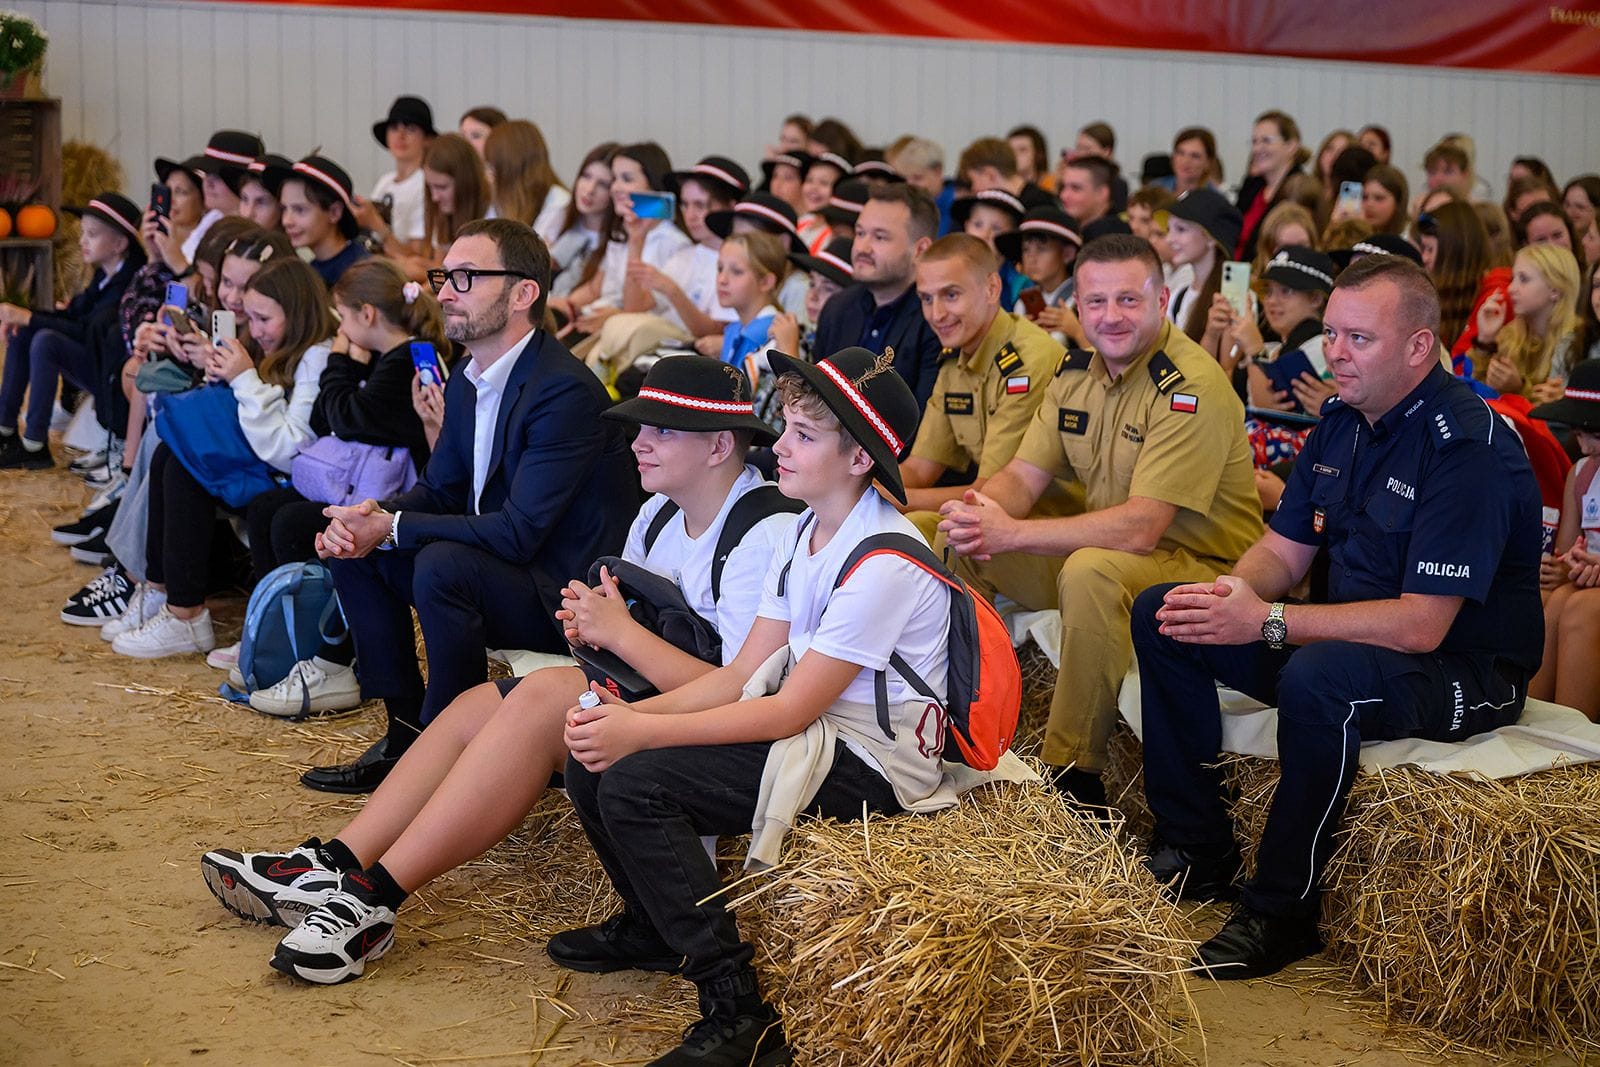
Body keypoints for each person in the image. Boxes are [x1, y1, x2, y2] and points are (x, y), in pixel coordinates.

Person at [199, 356, 794, 981]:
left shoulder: (761, 532)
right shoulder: (660, 514)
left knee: (541, 701)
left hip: (721, 734)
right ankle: (335, 862)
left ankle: (373, 901)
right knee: (478, 704)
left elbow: (738, 691)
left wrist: (617, 633)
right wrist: (594, 627)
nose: (638, 442)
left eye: (661, 430)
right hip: (655, 702)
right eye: (640, 427)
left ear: (721, 444)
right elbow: (640, 638)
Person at [548, 345, 976, 1067]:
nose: (778, 444)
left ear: (860, 460)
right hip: (817, 729)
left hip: (876, 759)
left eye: (804, 436)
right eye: (788, 427)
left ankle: (740, 1010)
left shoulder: (884, 560)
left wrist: (642, 733)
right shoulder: (804, 533)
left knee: (635, 781)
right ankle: (653, 926)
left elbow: (786, 712)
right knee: (596, 757)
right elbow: (744, 673)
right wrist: (628, 723)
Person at [1132, 254, 1543, 978]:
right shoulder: (1342, 424)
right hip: (1353, 638)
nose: (1336, 354)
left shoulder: (1466, 446)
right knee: (1167, 612)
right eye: (1332, 335)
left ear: (1418, 346)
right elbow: (1282, 552)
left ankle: (1282, 910)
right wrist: (1234, 596)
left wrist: (1271, 621)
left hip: (1465, 667)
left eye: (1360, 338)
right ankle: (1199, 846)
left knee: (1320, 680)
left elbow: (1422, 625)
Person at [305, 219, 635, 793]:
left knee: (441, 566)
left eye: (465, 276)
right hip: (507, 568)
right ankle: (406, 737)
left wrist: (397, 525)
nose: (444, 291)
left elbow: (520, 534)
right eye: (443, 276)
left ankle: (448, 749)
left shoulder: (563, 390)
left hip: (566, 597)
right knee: (358, 550)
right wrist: (372, 519)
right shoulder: (468, 376)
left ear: (522, 294)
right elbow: (441, 490)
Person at [938, 234, 1262, 804]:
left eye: (1128, 300)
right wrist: (981, 515)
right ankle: (944, 719)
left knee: (1090, 570)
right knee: (939, 532)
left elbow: (1141, 528)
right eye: (1095, 302)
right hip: (1113, 553)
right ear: (1078, 306)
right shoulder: (1075, 376)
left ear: (1162, 301)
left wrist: (1011, 532)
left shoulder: (1190, 386)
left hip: (1201, 570)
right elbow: (1023, 476)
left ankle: (1073, 776)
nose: (1110, 317)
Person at [226, 257, 443, 716]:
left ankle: (325, 655)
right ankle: (277, 637)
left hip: (398, 492)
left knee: (293, 523)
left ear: (366, 315)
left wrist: (342, 359)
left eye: (343, 318)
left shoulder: (405, 359)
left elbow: (343, 415)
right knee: (268, 508)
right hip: (360, 481)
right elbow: (335, 415)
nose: (339, 330)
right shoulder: (388, 357)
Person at [112, 256, 334, 660]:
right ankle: (167, 597)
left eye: (264, 319)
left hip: (291, 478)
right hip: (265, 467)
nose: (256, 330)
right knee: (172, 458)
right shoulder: (283, 346)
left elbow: (289, 448)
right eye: (250, 319)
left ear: (298, 313)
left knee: (185, 470)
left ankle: (187, 615)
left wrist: (243, 379)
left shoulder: (317, 356)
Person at [899, 234, 1068, 532]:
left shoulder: (1028, 360)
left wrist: (889, 499)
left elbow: (988, 493)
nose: (936, 314)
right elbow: (919, 468)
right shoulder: (955, 359)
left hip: (1049, 524)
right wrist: (860, 487)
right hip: (995, 521)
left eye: (951, 295)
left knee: (916, 526)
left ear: (992, 289)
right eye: (926, 298)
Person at [0, 194, 146, 470]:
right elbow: (73, 314)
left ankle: (34, 445)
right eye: (82, 233)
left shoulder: (128, 283)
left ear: (119, 243)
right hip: (94, 358)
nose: (82, 242)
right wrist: (24, 318)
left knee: (45, 340)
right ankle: (5, 430)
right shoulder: (105, 275)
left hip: (109, 374)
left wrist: (29, 316)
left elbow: (84, 331)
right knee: (26, 331)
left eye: (92, 234)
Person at [812, 184, 943, 412]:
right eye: (860, 233)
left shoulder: (936, 319)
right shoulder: (837, 308)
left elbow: (922, 426)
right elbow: (816, 403)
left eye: (880, 237)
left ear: (921, 249)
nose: (862, 247)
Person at [1529, 362, 1600, 721]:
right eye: (1578, 433)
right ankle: (1532, 726)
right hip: (1585, 583)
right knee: (1546, 600)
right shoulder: (1582, 473)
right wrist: (1560, 569)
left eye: (1596, 435)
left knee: (1581, 611)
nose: (1585, 446)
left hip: (1592, 594)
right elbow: (1567, 547)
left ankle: (1573, 743)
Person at [1470, 244, 1583, 403]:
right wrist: (1485, 341)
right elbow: (1476, 395)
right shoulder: (1510, 335)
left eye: (1523, 279)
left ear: (1555, 290)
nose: (1510, 288)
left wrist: (1519, 389)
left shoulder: (1579, 342)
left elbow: (1556, 419)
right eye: (1512, 279)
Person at [996, 204, 1084, 346]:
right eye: (1026, 250)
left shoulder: (1081, 300)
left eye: (1042, 249)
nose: (1032, 258)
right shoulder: (1023, 302)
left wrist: (1076, 331)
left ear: (1068, 254)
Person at [359, 95, 437, 251]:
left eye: (410, 129)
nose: (400, 136)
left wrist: (377, 226)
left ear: (427, 139)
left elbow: (419, 254)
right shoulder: (385, 181)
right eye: (394, 128)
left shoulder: (427, 184)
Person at [281, 154, 369, 286]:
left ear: (334, 213)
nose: (287, 221)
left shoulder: (360, 274)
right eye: (284, 209)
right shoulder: (312, 272)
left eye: (300, 210)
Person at [1235, 110, 1309, 262]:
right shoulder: (1252, 186)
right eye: (1254, 141)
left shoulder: (1300, 189)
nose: (1257, 148)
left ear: (1291, 146)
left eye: (1266, 141)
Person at [482, 119, 570, 243]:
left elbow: (533, 257)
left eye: (491, 168)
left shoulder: (558, 202)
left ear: (511, 167)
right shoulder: (501, 201)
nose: (487, 176)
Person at [1058, 156, 1115, 229]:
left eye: (1076, 188)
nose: (1063, 196)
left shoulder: (1117, 237)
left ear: (1102, 193)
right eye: (1062, 187)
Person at [1361, 164, 1409, 235]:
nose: (1369, 204)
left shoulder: (1409, 238)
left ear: (1398, 202)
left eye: (1378, 198)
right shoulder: (1357, 235)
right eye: (1364, 197)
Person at [1171, 127, 1219, 195]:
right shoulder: (1157, 187)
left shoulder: (1215, 200)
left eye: (1195, 156)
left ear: (1208, 162)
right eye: (1181, 153)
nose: (1185, 161)